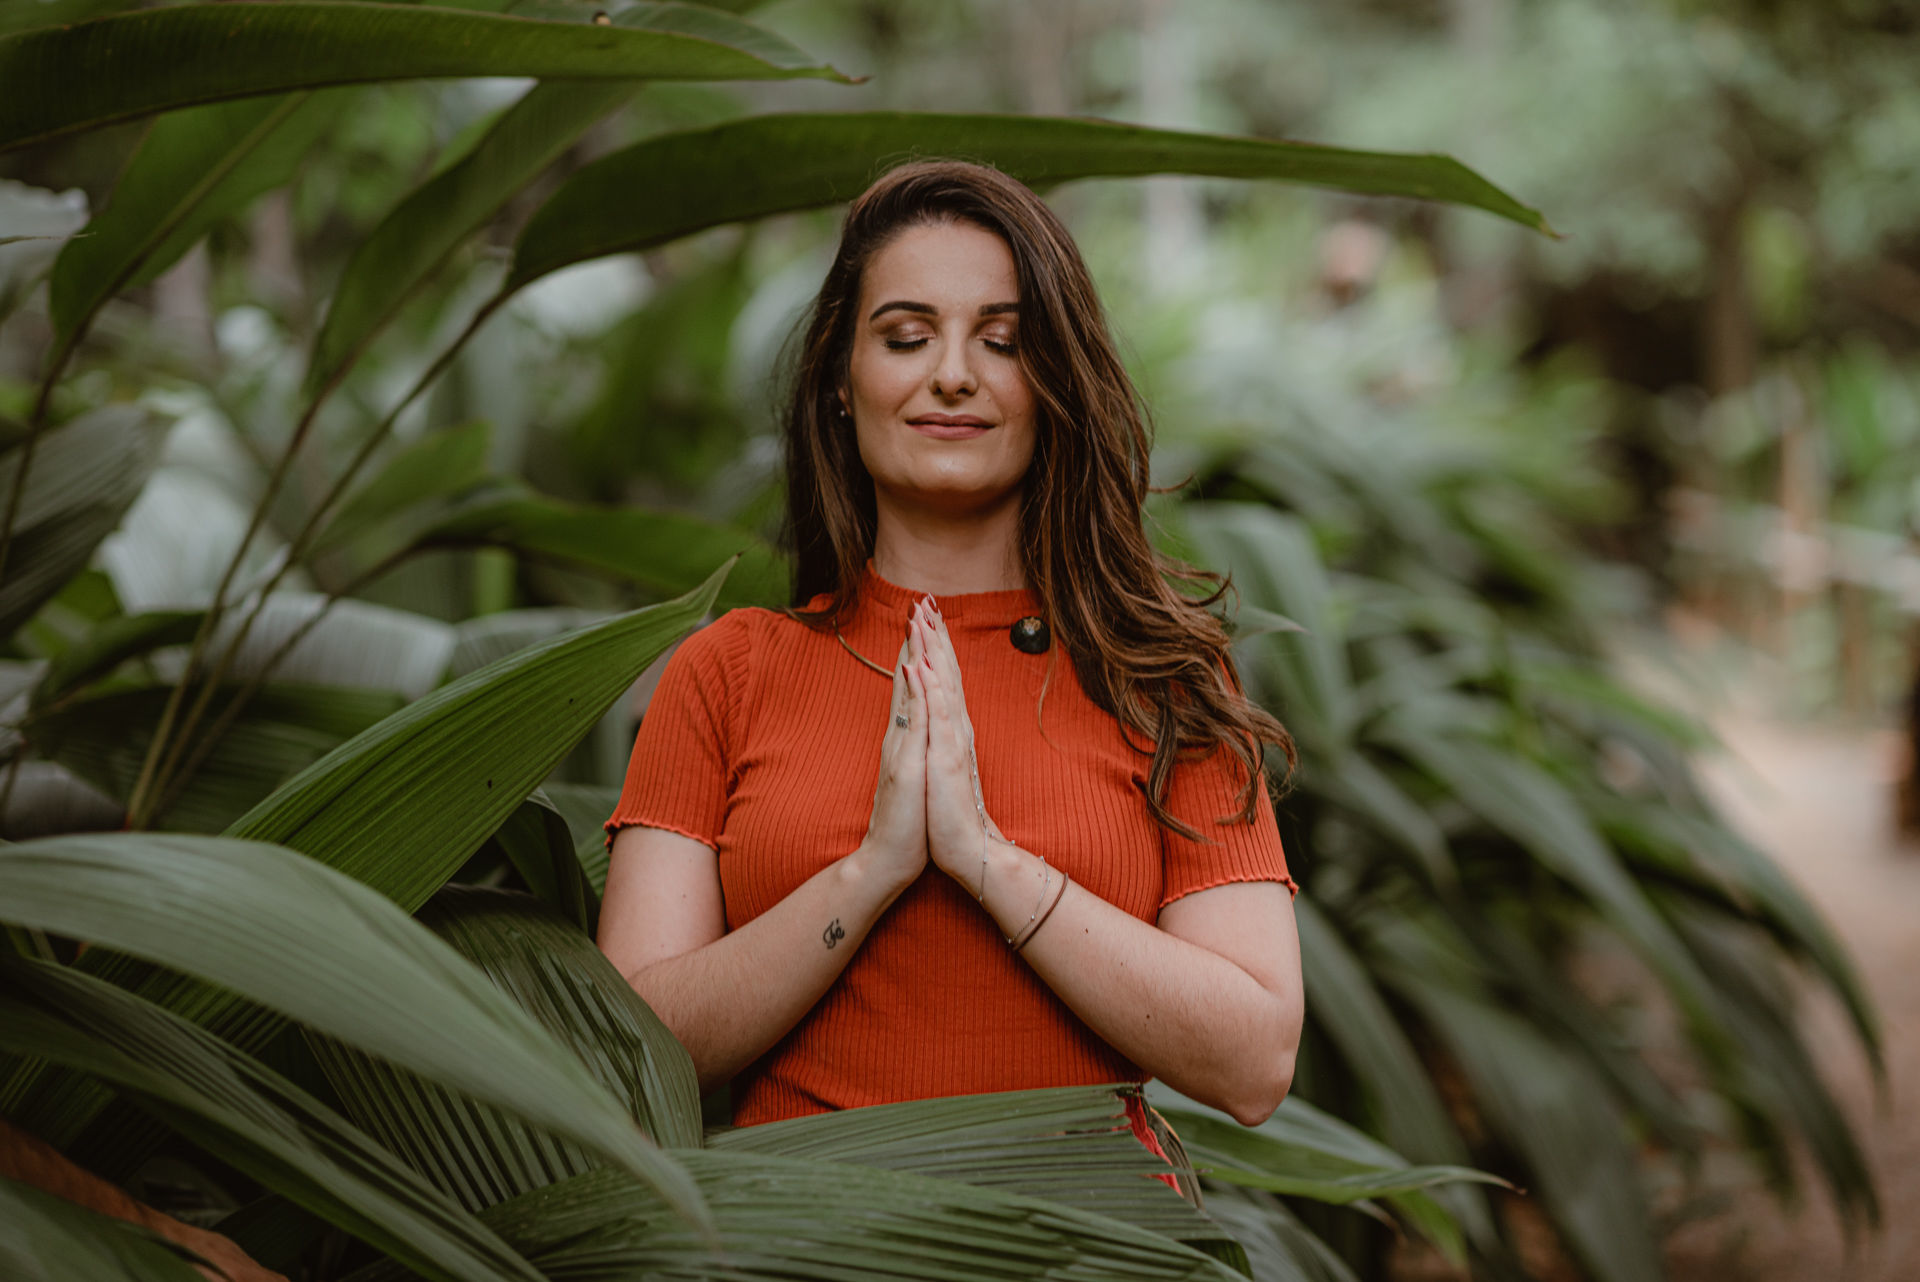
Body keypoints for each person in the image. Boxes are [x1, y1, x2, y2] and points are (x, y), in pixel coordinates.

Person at [597, 160, 1304, 1148]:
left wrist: (986, 860)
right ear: (843, 382)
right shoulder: (729, 671)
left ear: (1051, 379)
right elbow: (634, 1050)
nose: (955, 373)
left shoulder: (1159, 676)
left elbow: (1255, 1061)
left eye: (1003, 340)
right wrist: (873, 870)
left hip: (1097, 1247)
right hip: (807, 1243)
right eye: (907, 336)